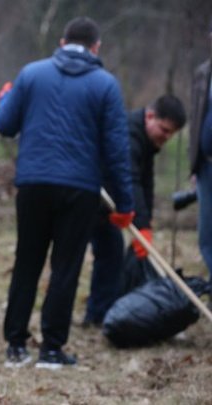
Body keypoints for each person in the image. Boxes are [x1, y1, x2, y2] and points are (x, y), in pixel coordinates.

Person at [0, 16, 134, 369]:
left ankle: (15, 346)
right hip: (79, 188)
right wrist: (126, 204)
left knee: (27, 262)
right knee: (66, 267)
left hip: (33, 183)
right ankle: (52, 351)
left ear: (61, 43)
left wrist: (6, 98)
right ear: (96, 47)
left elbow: (6, 124)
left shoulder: (30, 74)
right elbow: (117, 151)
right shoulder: (106, 85)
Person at [84, 95, 187, 326]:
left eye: (172, 133)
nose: (167, 137)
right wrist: (139, 223)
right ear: (150, 116)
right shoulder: (129, 133)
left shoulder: (147, 140)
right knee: (73, 256)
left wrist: (146, 223)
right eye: (164, 129)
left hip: (108, 204)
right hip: (89, 196)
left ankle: (98, 314)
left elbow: (145, 181)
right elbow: (130, 179)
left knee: (110, 254)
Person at [190, 21, 212, 291]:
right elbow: (196, 119)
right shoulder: (202, 74)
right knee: (206, 233)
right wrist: (193, 163)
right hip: (206, 167)